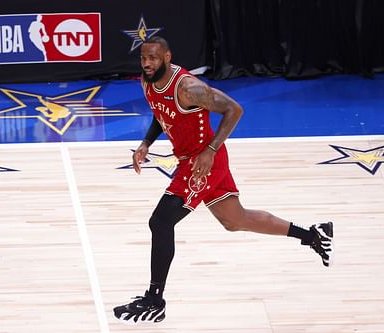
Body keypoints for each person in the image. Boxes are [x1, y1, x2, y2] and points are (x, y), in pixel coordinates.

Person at [113, 36, 334, 324]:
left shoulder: (190, 89)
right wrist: (146, 144)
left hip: (202, 161)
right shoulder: (147, 81)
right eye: (143, 58)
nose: (147, 63)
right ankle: (313, 234)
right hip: (191, 159)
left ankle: (155, 298)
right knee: (235, 220)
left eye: (153, 58)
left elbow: (234, 110)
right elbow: (160, 114)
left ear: (167, 57)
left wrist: (211, 150)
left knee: (161, 221)